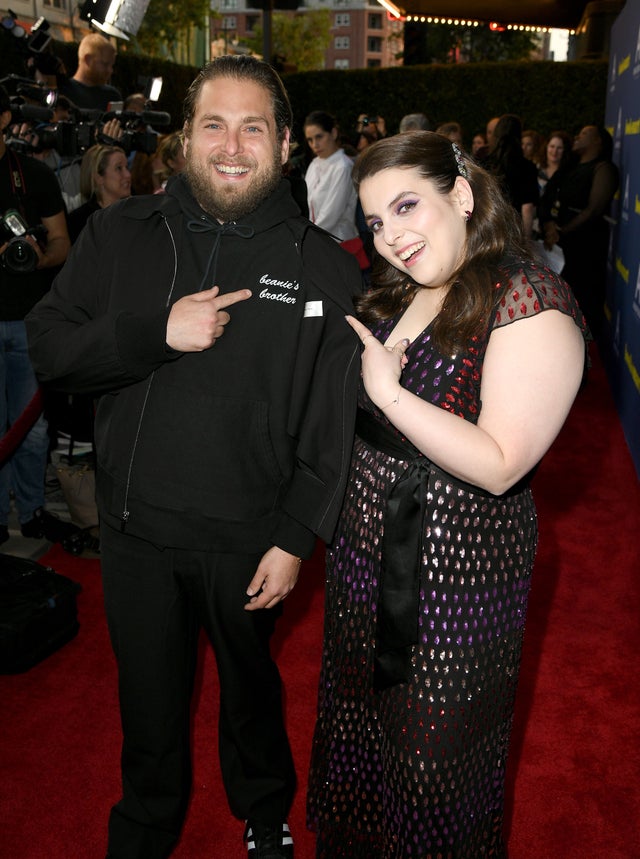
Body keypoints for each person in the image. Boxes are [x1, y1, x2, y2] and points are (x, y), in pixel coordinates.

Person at [26, 55, 362, 859]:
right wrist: (153, 334)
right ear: (185, 140)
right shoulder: (119, 233)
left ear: (286, 146)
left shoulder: (323, 266)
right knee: (149, 703)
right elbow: (49, 345)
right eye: (214, 124)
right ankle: (145, 825)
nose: (233, 145)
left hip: (253, 538)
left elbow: (331, 420)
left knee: (251, 691)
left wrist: (295, 535)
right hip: (137, 533)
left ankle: (264, 808)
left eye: (254, 127)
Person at [306, 131, 588, 858]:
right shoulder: (407, 287)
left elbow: (500, 461)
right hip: (364, 569)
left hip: (455, 585)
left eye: (407, 206)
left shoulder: (531, 298)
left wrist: (389, 397)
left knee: (434, 772)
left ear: (461, 196)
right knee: (365, 744)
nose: (391, 236)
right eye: (374, 222)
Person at [0, 84, 70, 545]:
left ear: (4, 121)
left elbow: (62, 243)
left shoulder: (34, 175)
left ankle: (30, 510)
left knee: (32, 429)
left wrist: (35, 256)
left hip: (29, 320)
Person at [540, 124, 618, 338]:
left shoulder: (604, 168)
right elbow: (550, 198)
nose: (577, 137)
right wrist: (549, 225)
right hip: (559, 245)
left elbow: (594, 209)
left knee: (583, 300)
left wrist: (561, 231)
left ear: (597, 141)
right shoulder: (570, 167)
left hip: (586, 246)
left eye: (584, 134)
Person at [303, 110, 358, 240]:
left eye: (319, 137)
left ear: (333, 133)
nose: (314, 145)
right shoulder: (314, 165)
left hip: (340, 242)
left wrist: (307, 236)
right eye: (310, 140)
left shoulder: (343, 166)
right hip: (317, 241)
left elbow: (331, 215)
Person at [484, 113, 539, 239]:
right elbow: (527, 207)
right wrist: (525, 242)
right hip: (513, 233)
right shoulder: (527, 167)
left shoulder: (484, 163)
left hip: (488, 229)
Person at [66, 144, 131, 242]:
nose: (128, 175)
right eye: (119, 168)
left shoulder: (138, 213)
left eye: (127, 167)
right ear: (99, 178)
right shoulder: (80, 223)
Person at [57, 33, 122, 111]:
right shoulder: (64, 92)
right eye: (105, 64)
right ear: (88, 60)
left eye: (111, 65)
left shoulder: (113, 96)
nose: (110, 70)